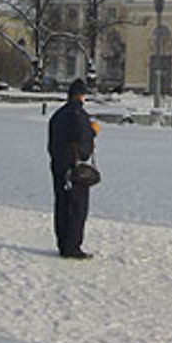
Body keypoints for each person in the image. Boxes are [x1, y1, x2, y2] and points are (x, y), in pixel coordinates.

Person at [47, 78, 101, 259]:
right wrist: (93, 131)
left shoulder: (58, 114)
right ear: (82, 95)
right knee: (77, 206)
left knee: (61, 204)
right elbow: (83, 136)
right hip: (74, 167)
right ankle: (73, 246)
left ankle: (63, 244)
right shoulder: (78, 113)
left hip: (58, 164)